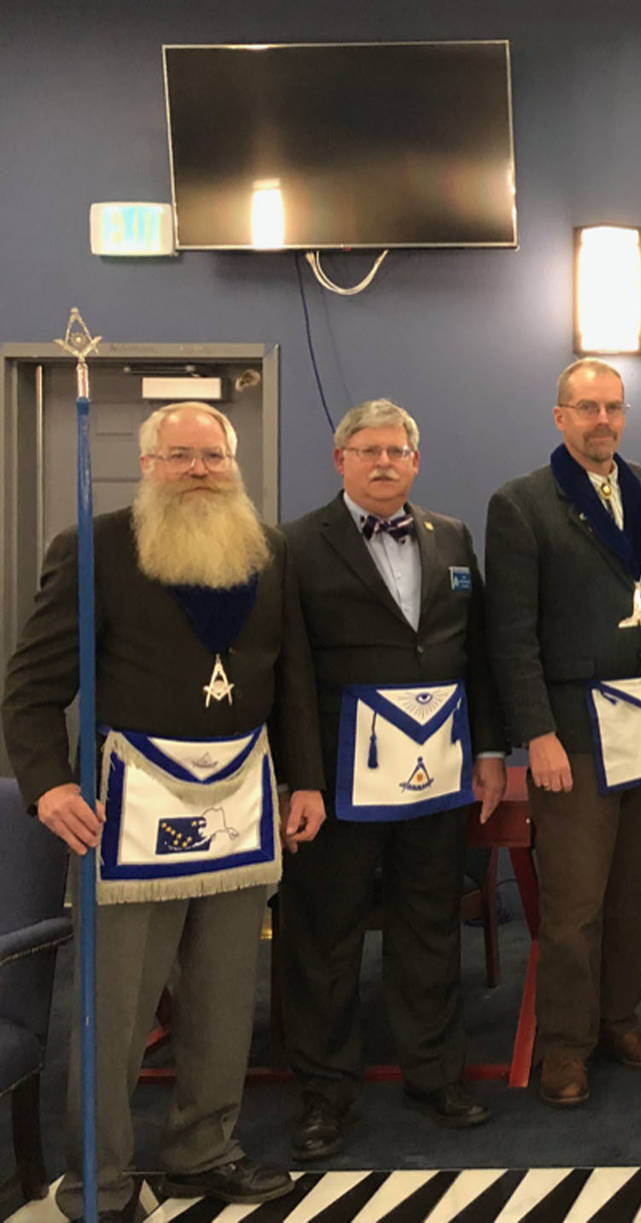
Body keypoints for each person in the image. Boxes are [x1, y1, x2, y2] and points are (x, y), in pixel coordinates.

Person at [2, 402, 323, 1219]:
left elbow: (291, 676)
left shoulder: (268, 549)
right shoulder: (95, 548)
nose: (199, 470)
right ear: (147, 465)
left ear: (233, 463)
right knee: (116, 1008)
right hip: (129, 811)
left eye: (213, 456)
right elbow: (30, 685)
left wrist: (306, 779)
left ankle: (202, 1150)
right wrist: (49, 785)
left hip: (240, 803)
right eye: (179, 455)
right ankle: (100, 1180)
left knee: (223, 995)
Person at [277, 398, 506, 1158]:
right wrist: (300, 777)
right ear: (340, 460)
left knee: (430, 925)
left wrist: (489, 750)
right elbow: (290, 671)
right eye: (368, 450)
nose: (383, 462)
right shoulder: (296, 544)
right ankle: (324, 1093)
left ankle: (435, 1074)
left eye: (396, 450)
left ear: (415, 460)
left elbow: (476, 654)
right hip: (338, 778)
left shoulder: (453, 535)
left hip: (435, 772)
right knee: (325, 935)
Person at [485, 358, 641, 1108]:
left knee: (639, 889)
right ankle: (565, 1046)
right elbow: (511, 633)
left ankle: (620, 1020)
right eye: (587, 407)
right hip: (573, 730)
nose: (602, 420)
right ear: (560, 416)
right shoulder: (522, 504)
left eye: (613, 407)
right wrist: (536, 733)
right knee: (575, 900)